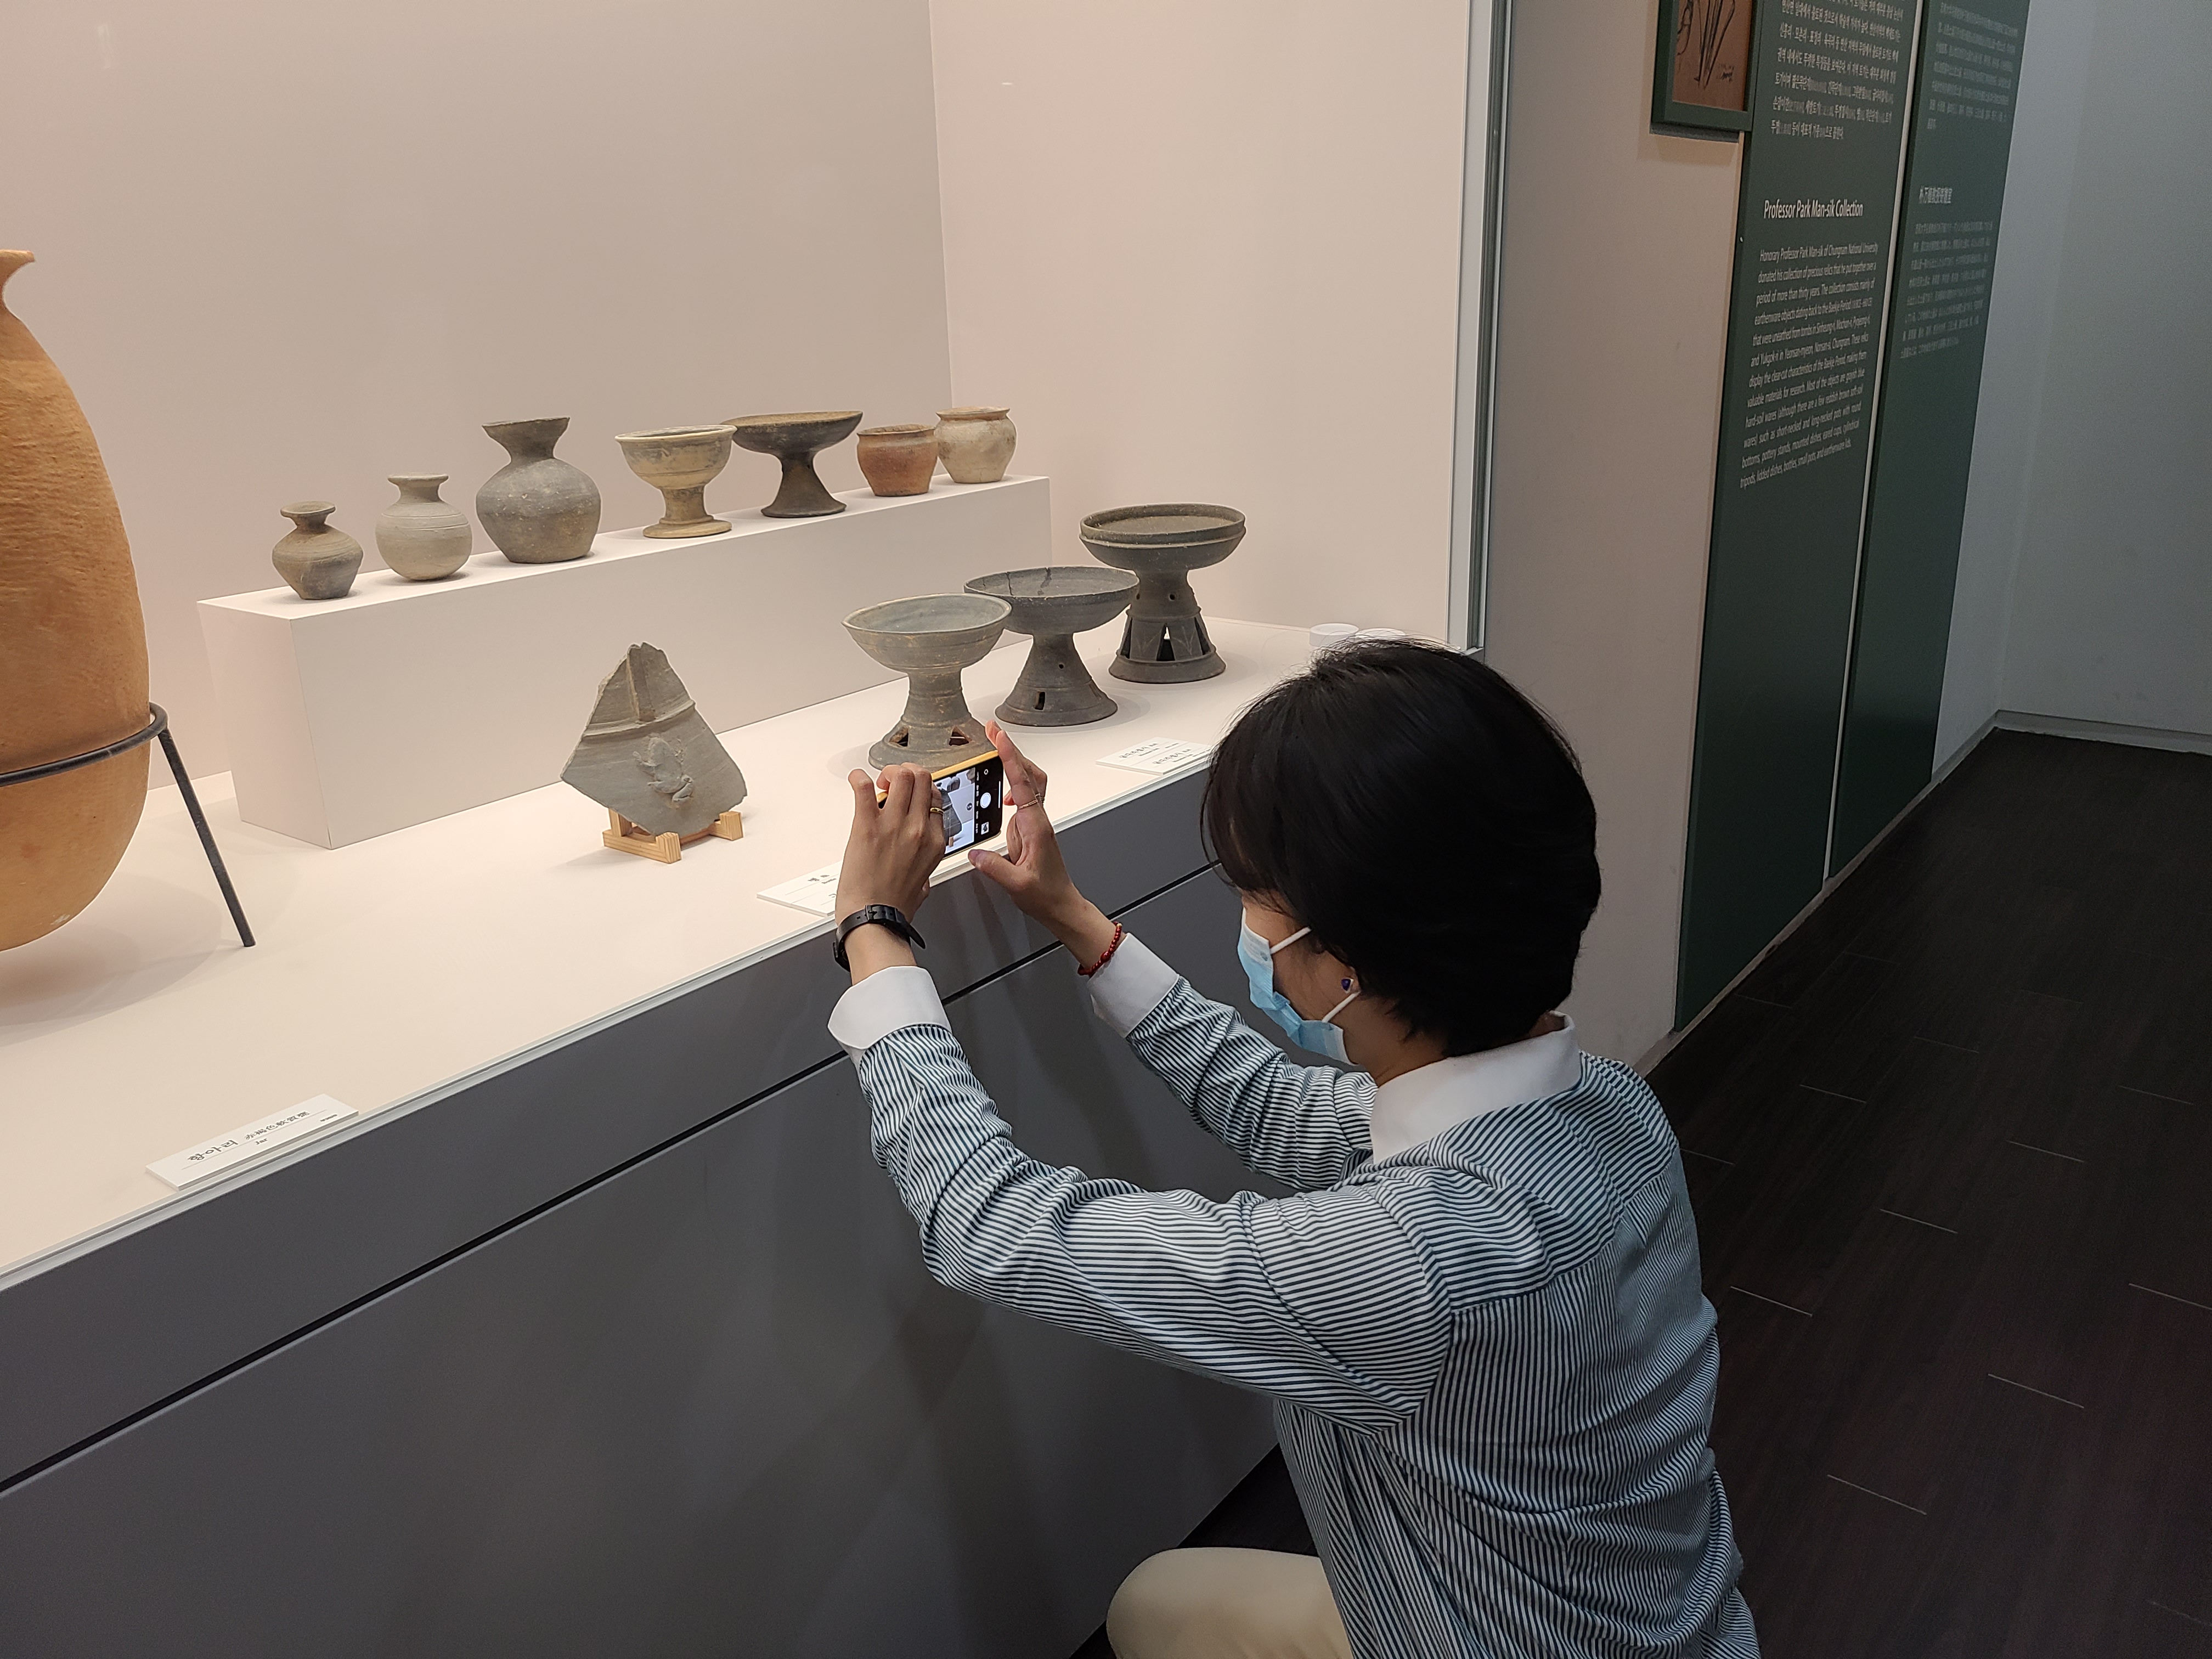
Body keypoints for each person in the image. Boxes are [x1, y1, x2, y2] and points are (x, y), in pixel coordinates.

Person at [828, 640, 1757, 1659]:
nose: (1245, 918)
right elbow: (1276, 1105)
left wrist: (875, 934)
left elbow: (994, 1225)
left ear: (1342, 960)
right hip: (1661, 1622)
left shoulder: (1406, 1261)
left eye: (1252, 892)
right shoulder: (1607, 1104)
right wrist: (1076, 920)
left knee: (1154, 1610)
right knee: (1155, 1604)